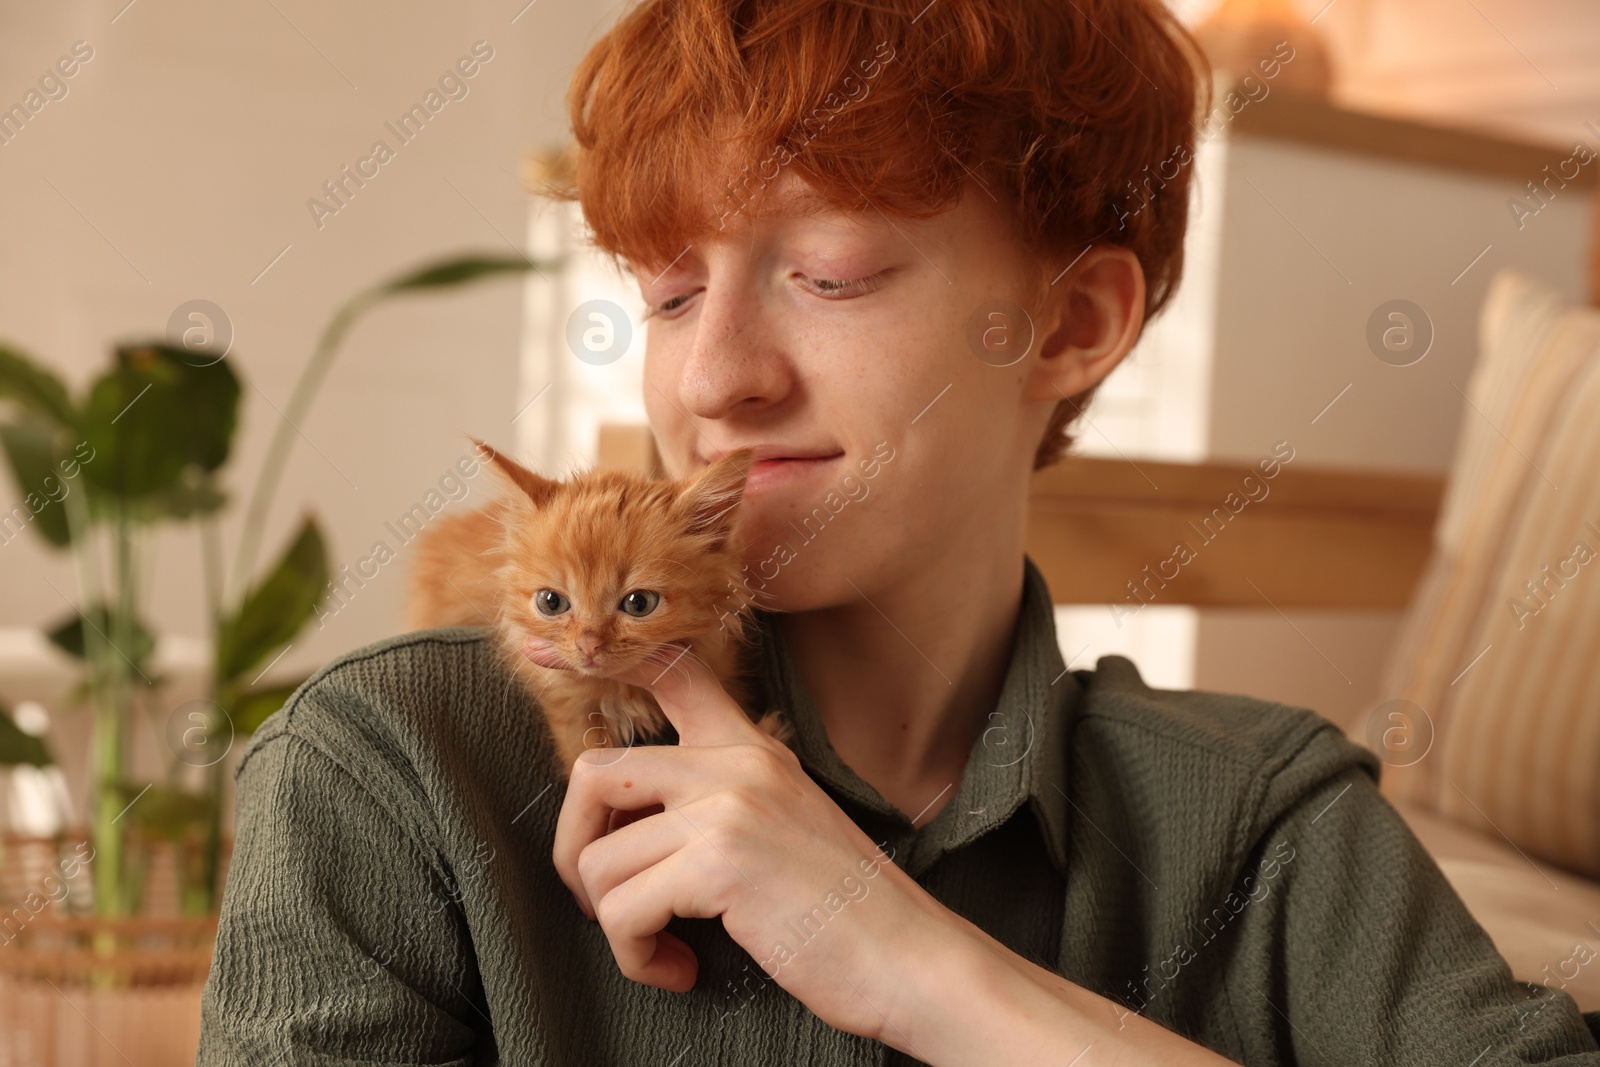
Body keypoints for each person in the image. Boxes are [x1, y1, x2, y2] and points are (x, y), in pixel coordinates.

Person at [197, 0, 1600, 1063]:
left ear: (1070, 322)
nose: (712, 380)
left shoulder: (1266, 827)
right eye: (671, 295)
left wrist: (928, 970)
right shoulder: (393, 776)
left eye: (829, 273)